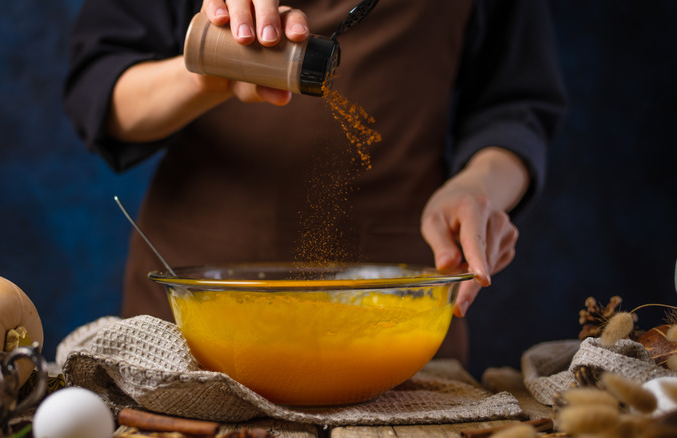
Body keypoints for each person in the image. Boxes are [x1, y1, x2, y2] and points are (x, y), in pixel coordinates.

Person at [63, 0, 566, 365]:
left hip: (394, 321)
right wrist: (210, 71)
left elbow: (515, 106)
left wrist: (477, 186)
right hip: (192, 317)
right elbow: (102, 94)